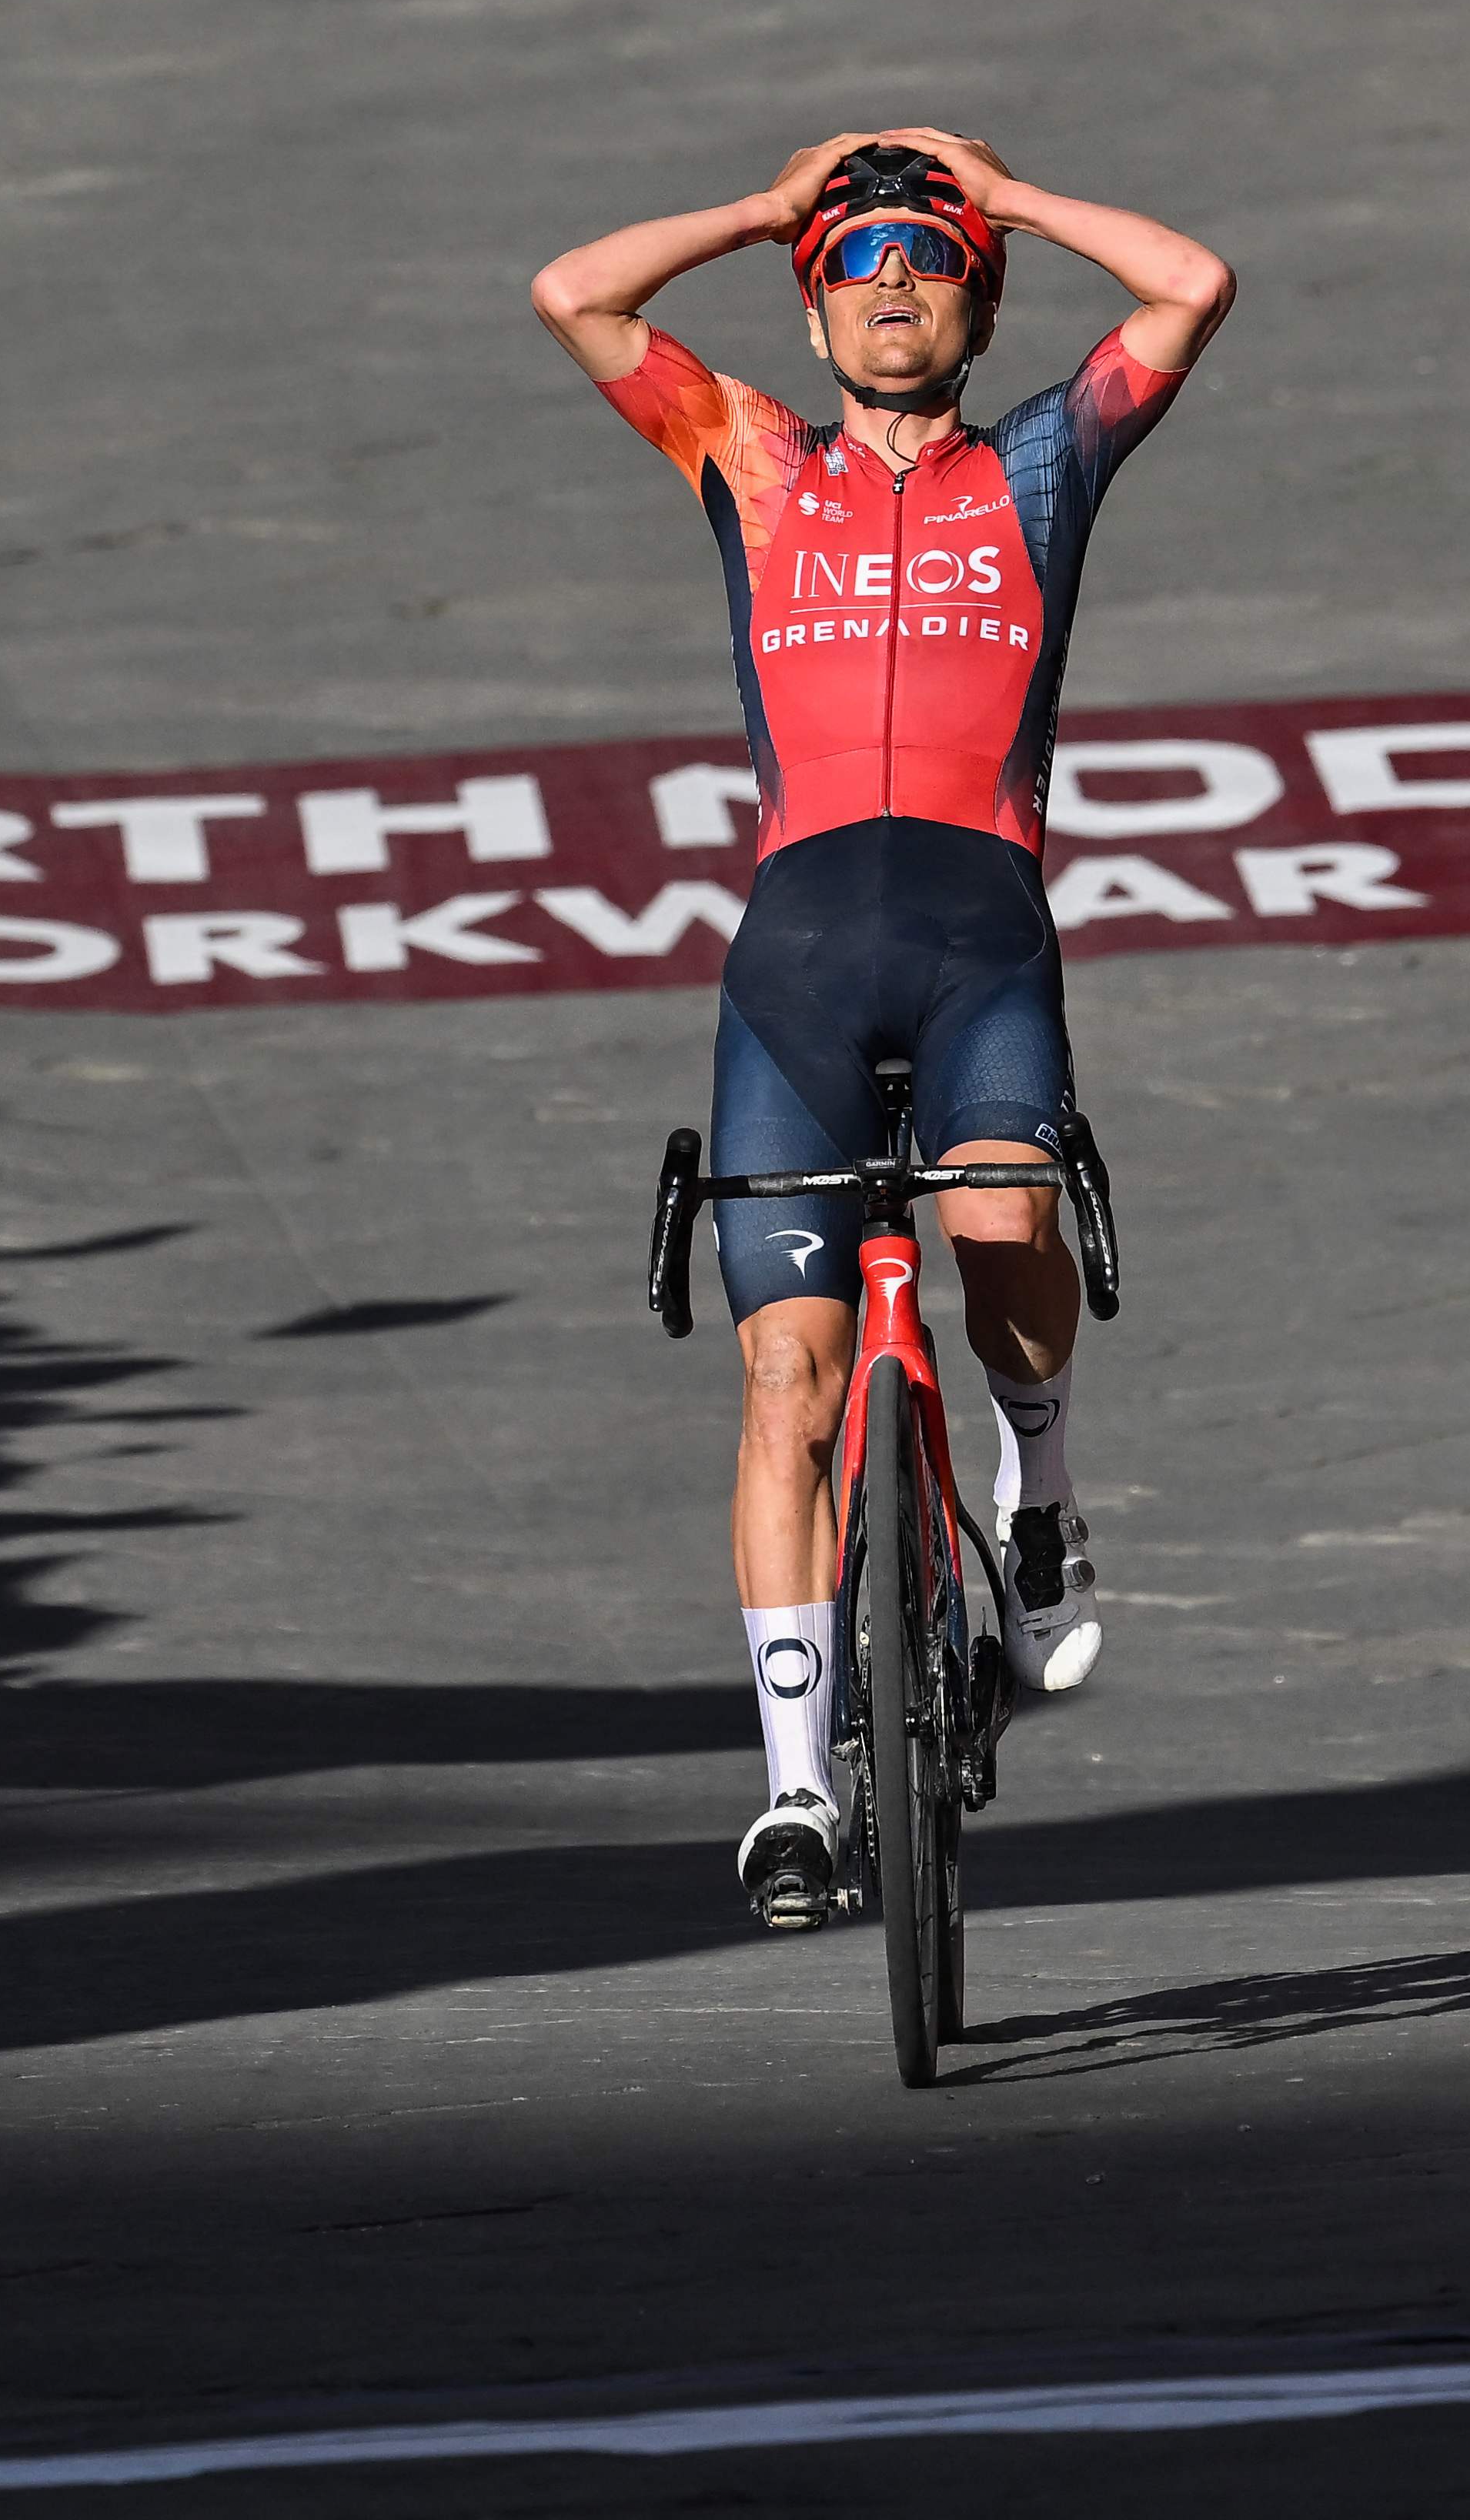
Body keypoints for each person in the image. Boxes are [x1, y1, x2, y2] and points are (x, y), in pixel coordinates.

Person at [528, 129, 1232, 1928]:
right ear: (817, 305)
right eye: (860, 265)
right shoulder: (750, 457)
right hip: (799, 967)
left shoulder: (1049, 466)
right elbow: (575, 294)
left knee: (1003, 1231)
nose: (895, 284)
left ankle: (1041, 1496)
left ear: (977, 293)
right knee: (786, 1378)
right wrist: (770, 205)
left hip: (982, 940)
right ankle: (793, 1794)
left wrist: (1011, 187)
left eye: (930, 260)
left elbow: (1189, 287)